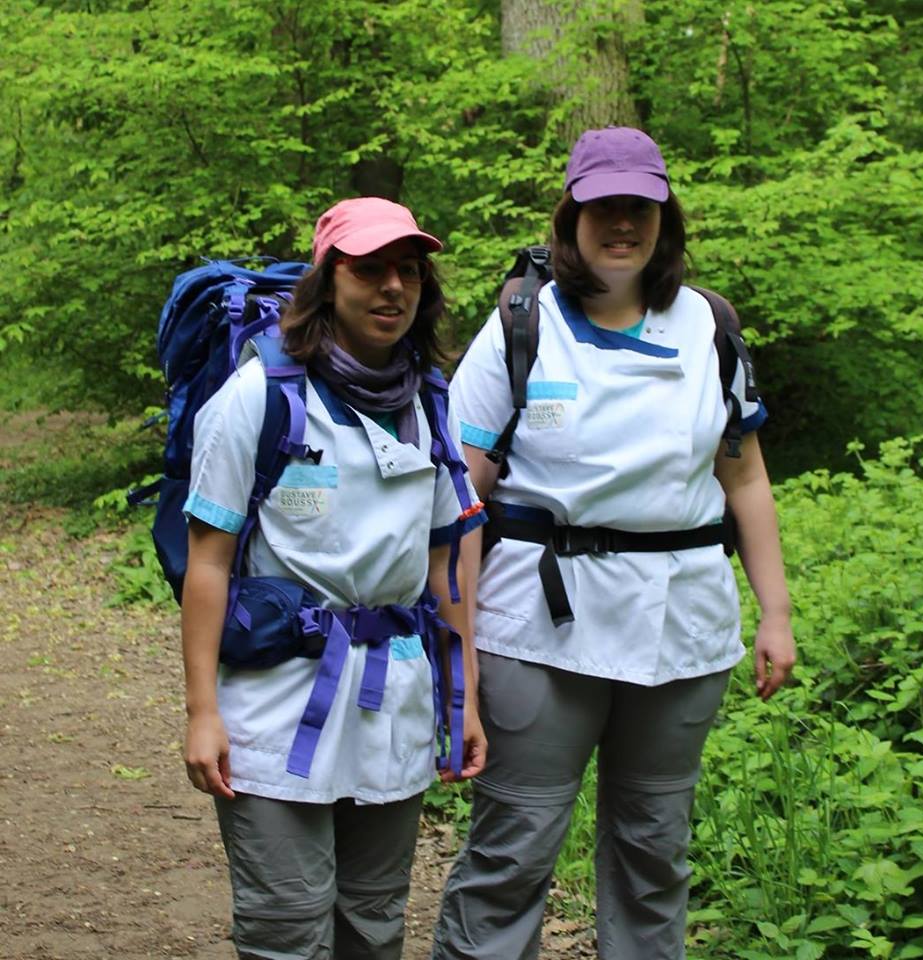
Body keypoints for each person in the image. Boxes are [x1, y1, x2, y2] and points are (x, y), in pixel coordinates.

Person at [432, 127, 796, 960]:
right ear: (572, 215)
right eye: (604, 207)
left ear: (667, 218)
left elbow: (744, 479)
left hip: (683, 624)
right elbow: (461, 499)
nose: (622, 223)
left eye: (641, 206)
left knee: (653, 847)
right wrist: (456, 650)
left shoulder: (709, 326)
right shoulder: (520, 324)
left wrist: (775, 614)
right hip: (536, 625)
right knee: (514, 847)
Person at [180, 196, 487, 960]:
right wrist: (200, 711)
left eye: (409, 272)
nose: (393, 288)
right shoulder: (259, 398)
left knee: (374, 923)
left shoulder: (430, 401)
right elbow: (208, 563)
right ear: (327, 279)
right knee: (287, 925)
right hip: (277, 702)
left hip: (398, 698)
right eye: (371, 269)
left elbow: (447, 562)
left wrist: (465, 697)